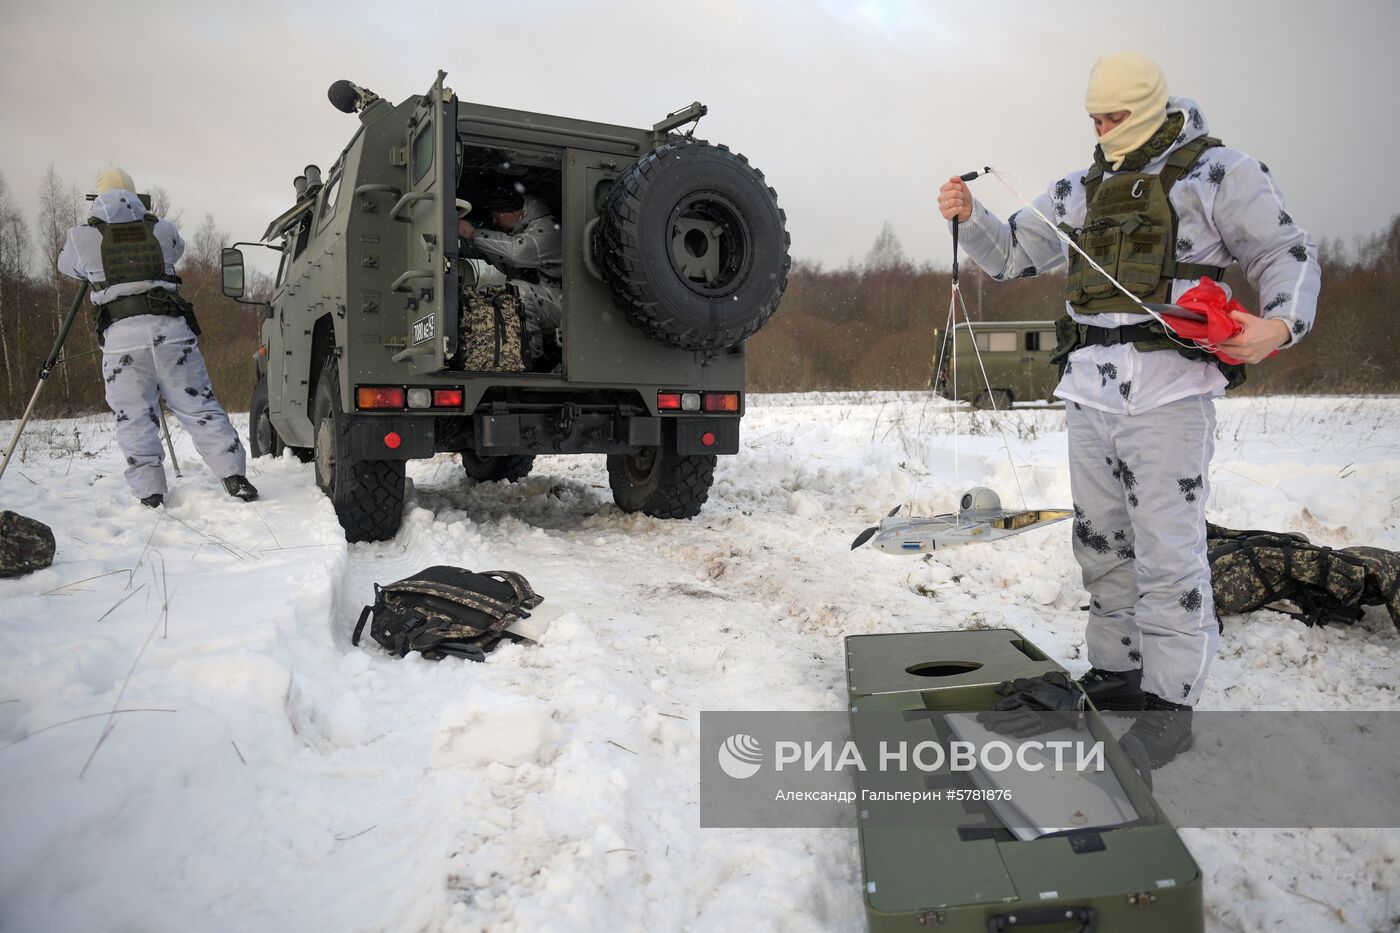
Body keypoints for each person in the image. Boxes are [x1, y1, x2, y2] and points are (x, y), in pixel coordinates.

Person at [938, 52, 1319, 765]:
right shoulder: (1081, 189)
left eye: (1114, 117)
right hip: (1088, 390)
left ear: (1146, 109)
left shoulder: (1219, 173)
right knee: (1100, 542)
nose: (1102, 128)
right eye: (1094, 118)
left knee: (1168, 553)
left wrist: (1278, 324)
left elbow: (1287, 253)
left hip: (1170, 393)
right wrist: (971, 213)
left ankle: (1171, 702)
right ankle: (1117, 671)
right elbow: (1014, 254)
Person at [58, 167, 258, 509]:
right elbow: (176, 251)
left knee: (133, 414)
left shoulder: (81, 237)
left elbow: (68, 267)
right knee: (199, 404)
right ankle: (234, 476)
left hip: (123, 340)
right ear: (136, 195)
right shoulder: (161, 229)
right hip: (172, 334)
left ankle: (150, 493)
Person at [458, 184, 563, 334]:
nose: (494, 222)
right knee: (486, 295)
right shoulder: (521, 228)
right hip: (545, 297)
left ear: (513, 212)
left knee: (516, 293)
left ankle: (531, 355)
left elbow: (516, 253)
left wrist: (473, 233)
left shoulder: (546, 229)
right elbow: (505, 262)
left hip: (561, 303)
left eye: (496, 216)